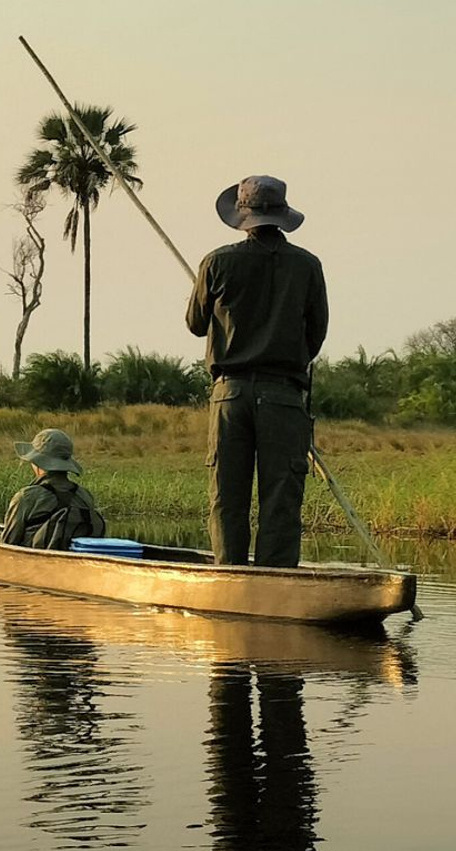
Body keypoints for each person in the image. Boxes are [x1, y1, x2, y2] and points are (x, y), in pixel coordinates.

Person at [186, 175, 329, 568]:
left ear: (242, 216)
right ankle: (276, 578)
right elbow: (316, 335)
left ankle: (230, 573)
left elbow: (196, 323)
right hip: (284, 396)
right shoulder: (307, 265)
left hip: (229, 395)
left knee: (227, 493)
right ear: (282, 215)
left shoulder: (217, 261)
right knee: (281, 494)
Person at [0, 428, 105, 549]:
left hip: (33, 563)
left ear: (37, 462)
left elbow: (7, 544)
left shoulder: (26, 496)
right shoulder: (85, 495)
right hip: (73, 564)